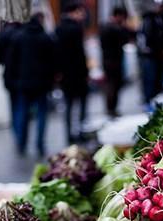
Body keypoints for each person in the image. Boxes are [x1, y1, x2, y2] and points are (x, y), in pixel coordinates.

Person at [6, 13, 56, 156]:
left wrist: (12, 81)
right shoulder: (45, 38)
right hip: (42, 84)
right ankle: (39, 144)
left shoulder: (18, 37)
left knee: (22, 113)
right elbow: (53, 61)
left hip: (23, 84)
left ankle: (21, 143)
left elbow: (12, 62)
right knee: (41, 115)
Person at [55, 3, 88, 144]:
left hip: (65, 75)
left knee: (68, 105)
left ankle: (68, 134)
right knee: (81, 104)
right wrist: (85, 72)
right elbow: (80, 54)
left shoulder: (59, 28)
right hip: (78, 73)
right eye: (80, 13)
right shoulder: (76, 29)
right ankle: (80, 131)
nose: (83, 16)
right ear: (73, 13)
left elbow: (55, 53)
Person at [100, 7, 131, 118]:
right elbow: (125, 38)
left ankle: (111, 108)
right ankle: (111, 109)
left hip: (109, 60)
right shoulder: (113, 28)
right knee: (113, 85)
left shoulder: (106, 27)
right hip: (112, 61)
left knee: (113, 85)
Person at [137, 2, 163, 106]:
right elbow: (149, 39)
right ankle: (149, 102)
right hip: (150, 56)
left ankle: (153, 101)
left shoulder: (159, 19)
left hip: (156, 55)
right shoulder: (149, 19)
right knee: (150, 80)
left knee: (156, 80)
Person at [0, 22, 22, 139]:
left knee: (14, 103)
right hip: (21, 74)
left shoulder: (3, 34)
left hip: (10, 74)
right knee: (21, 105)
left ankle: (16, 130)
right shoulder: (21, 33)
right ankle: (20, 131)